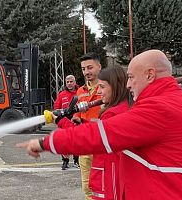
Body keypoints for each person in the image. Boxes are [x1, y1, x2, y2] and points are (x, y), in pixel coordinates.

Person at [17, 50, 182, 199]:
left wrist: (45, 143)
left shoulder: (159, 107)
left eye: (131, 77)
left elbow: (100, 135)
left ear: (150, 74)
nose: (128, 84)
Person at [53, 66, 131, 199]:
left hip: (110, 181)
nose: (100, 91)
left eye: (102, 87)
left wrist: (62, 122)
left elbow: (92, 140)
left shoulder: (113, 113)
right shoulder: (123, 108)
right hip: (108, 175)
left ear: (116, 87)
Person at [70, 52, 102, 200]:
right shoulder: (80, 91)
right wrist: (75, 118)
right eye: (83, 69)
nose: (86, 72)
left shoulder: (107, 88)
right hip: (86, 144)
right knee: (87, 186)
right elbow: (77, 112)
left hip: (104, 144)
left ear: (99, 67)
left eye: (90, 67)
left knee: (104, 184)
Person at [53, 74, 80, 170]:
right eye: (67, 82)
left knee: (77, 142)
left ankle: (77, 161)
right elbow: (56, 108)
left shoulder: (80, 92)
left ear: (75, 82)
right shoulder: (61, 94)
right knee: (64, 143)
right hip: (64, 121)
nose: (69, 84)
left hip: (76, 121)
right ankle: (65, 162)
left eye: (71, 81)